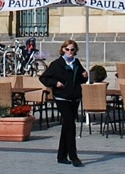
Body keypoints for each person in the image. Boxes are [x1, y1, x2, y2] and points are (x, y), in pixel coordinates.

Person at [38, 39, 87, 167]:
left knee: (67, 126)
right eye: (67, 49)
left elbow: (80, 79)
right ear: (63, 50)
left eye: (72, 49)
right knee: (70, 125)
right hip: (62, 98)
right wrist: (55, 83)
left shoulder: (76, 62)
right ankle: (73, 156)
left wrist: (85, 76)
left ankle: (61, 156)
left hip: (74, 97)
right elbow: (43, 78)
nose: (70, 52)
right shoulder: (57, 64)